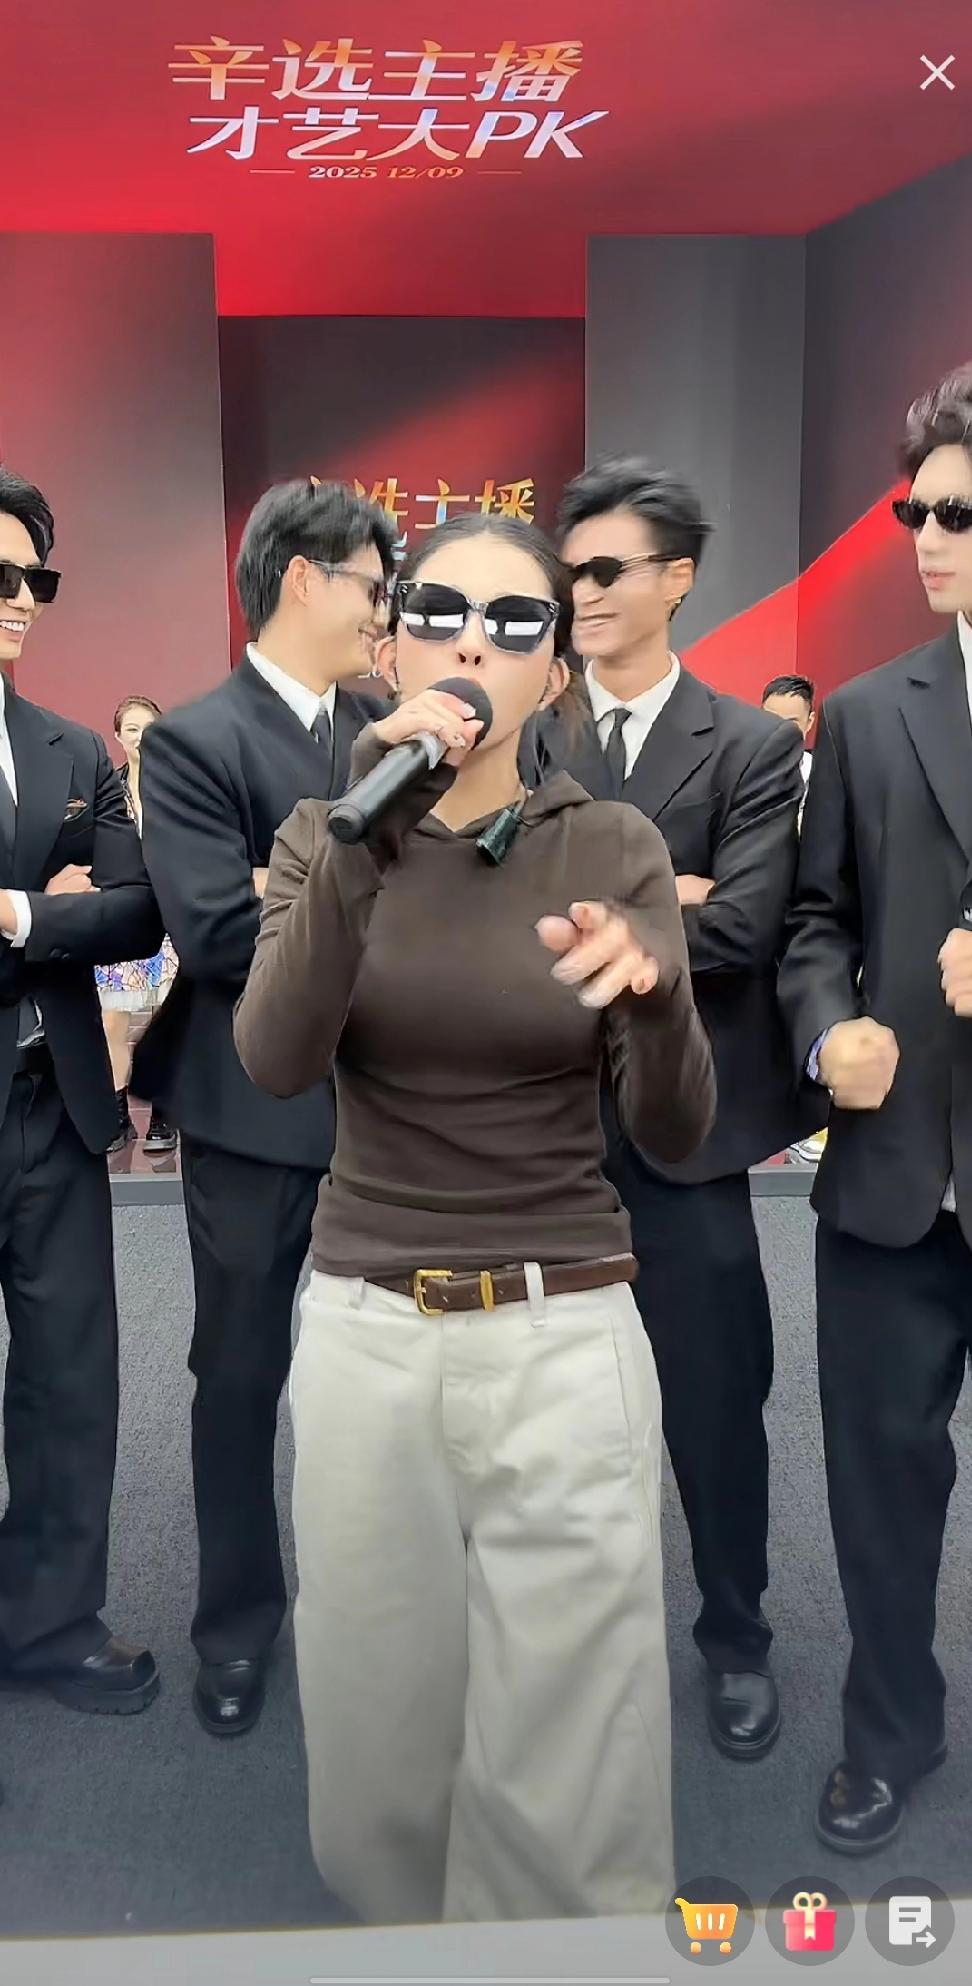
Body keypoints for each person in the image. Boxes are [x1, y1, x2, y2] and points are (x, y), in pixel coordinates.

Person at [234, 513, 716, 1924]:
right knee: (375, 1723)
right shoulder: (321, 835)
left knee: (574, 1746)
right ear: (390, 651)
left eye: (516, 624)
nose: (471, 644)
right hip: (368, 1325)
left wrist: (655, 998)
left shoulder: (612, 842)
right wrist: (366, 832)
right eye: (439, 612)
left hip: (564, 1329)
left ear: (555, 673)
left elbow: (675, 1130)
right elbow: (276, 1058)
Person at [526, 459, 823, 1762]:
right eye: (570, 571)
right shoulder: (524, 734)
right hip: (532, 1140)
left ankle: (736, 1636)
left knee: (714, 1405)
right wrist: (667, 899)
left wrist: (577, 913)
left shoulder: (750, 745)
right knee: (536, 1422)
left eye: (609, 569)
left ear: (678, 578)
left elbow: (749, 927)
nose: (583, 593)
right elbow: (478, 915)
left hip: (687, 1139)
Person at [132, 480, 396, 1739]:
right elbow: (218, 934)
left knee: (392, 1386)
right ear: (303, 577)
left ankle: (380, 1622)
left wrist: (286, 883)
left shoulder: (388, 726)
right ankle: (236, 1626)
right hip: (249, 1114)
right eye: (373, 587)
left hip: (392, 1113)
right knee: (239, 1373)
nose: (386, 612)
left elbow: (450, 897)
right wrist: (363, 904)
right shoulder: (195, 739)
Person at [779, 364, 972, 1853]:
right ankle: (889, 1731)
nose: (932, 538)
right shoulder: (863, 712)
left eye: (962, 513)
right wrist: (826, 1024)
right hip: (896, 1177)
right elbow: (815, 921)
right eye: (922, 511)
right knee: (881, 1487)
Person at [0, 467, 163, 1721]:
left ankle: (51, 1624)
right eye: (2, 575)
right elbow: (87, 908)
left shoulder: (73, 748)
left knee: (70, 1378)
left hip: (51, 1104)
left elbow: (136, 907)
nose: (22, 598)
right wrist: (58, 906)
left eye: (37, 579)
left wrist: (20, 914)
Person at [95, 695, 177, 1155]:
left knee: (167, 1016)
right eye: (132, 729)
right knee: (113, 1018)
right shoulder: (108, 789)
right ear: (118, 736)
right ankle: (118, 1114)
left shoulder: (180, 788)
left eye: (148, 727)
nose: (141, 737)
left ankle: (164, 1113)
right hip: (125, 914)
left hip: (173, 914)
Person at [762, 675, 815, 791]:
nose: (781, 731)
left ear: (809, 722)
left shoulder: (821, 774)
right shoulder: (743, 773)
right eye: (772, 720)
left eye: (791, 723)